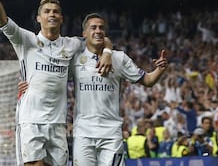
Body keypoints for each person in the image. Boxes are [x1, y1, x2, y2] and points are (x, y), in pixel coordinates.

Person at [0, 0, 113, 166]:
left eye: (56, 12)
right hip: (30, 120)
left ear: (61, 18)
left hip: (58, 123)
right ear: (38, 18)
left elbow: (103, 40)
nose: (52, 14)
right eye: (47, 11)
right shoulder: (26, 40)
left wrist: (108, 54)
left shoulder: (72, 44)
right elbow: (2, 21)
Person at [20, 13, 168, 165]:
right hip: (83, 133)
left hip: (111, 134)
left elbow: (148, 80)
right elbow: (51, 75)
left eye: (101, 28)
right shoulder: (75, 59)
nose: (98, 31)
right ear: (84, 34)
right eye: (93, 28)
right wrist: (27, 84)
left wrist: (159, 70)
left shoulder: (120, 58)